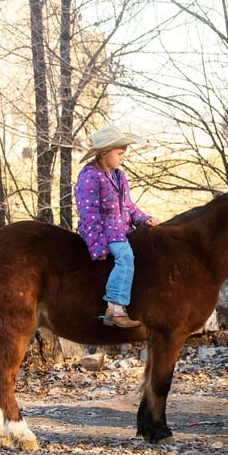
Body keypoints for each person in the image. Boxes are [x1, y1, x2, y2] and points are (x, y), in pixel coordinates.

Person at [73, 125, 159, 329]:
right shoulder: (89, 177)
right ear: (104, 153)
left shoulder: (119, 176)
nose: (122, 158)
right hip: (103, 231)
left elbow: (128, 206)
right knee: (125, 256)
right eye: (119, 153)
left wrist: (143, 220)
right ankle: (115, 308)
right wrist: (98, 245)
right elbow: (88, 214)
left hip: (121, 228)